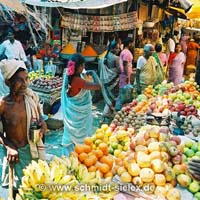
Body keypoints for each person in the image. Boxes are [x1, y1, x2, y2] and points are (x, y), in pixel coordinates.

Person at [0, 59, 47, 197]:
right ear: (8, 83)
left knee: (34, 191)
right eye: (20, 80)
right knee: (16, 192)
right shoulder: (3, 105)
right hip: (16, 157)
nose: (25, 84)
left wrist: (43, 126)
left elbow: (41, 119)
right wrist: (8, 146)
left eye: (26, 79)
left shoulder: (31, 98)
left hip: (33, 152)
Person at [61, 54, 101, 156]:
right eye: (82, 65)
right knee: (80, 140)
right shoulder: (78, 81)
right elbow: (98, 86)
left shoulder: (71, 77)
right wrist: (94, 74)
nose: (84, 68)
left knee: (71, 138)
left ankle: (71, 157)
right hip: (78, 114)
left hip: (72, 113)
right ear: (77, 67)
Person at [100, 40, 120, 122]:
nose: (118, 50)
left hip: (105, 82)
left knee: (108, 98)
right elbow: (119, 70)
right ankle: (107, 115)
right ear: (114, 49)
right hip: (113, 82)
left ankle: (105, 116)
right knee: (113, 99)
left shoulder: (104, 57)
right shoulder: (116, 58)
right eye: (118, 48)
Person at [115, 37, 134, 111]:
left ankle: (120, 108)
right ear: (129, 43)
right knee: (123, 92)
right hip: (125, 75)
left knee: (123, 91)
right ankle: (119, 108)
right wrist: (127, 76)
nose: (132, 44)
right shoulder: (126, 53)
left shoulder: (124, 51)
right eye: (132, 43)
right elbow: (125, 64)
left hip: (124, 74)